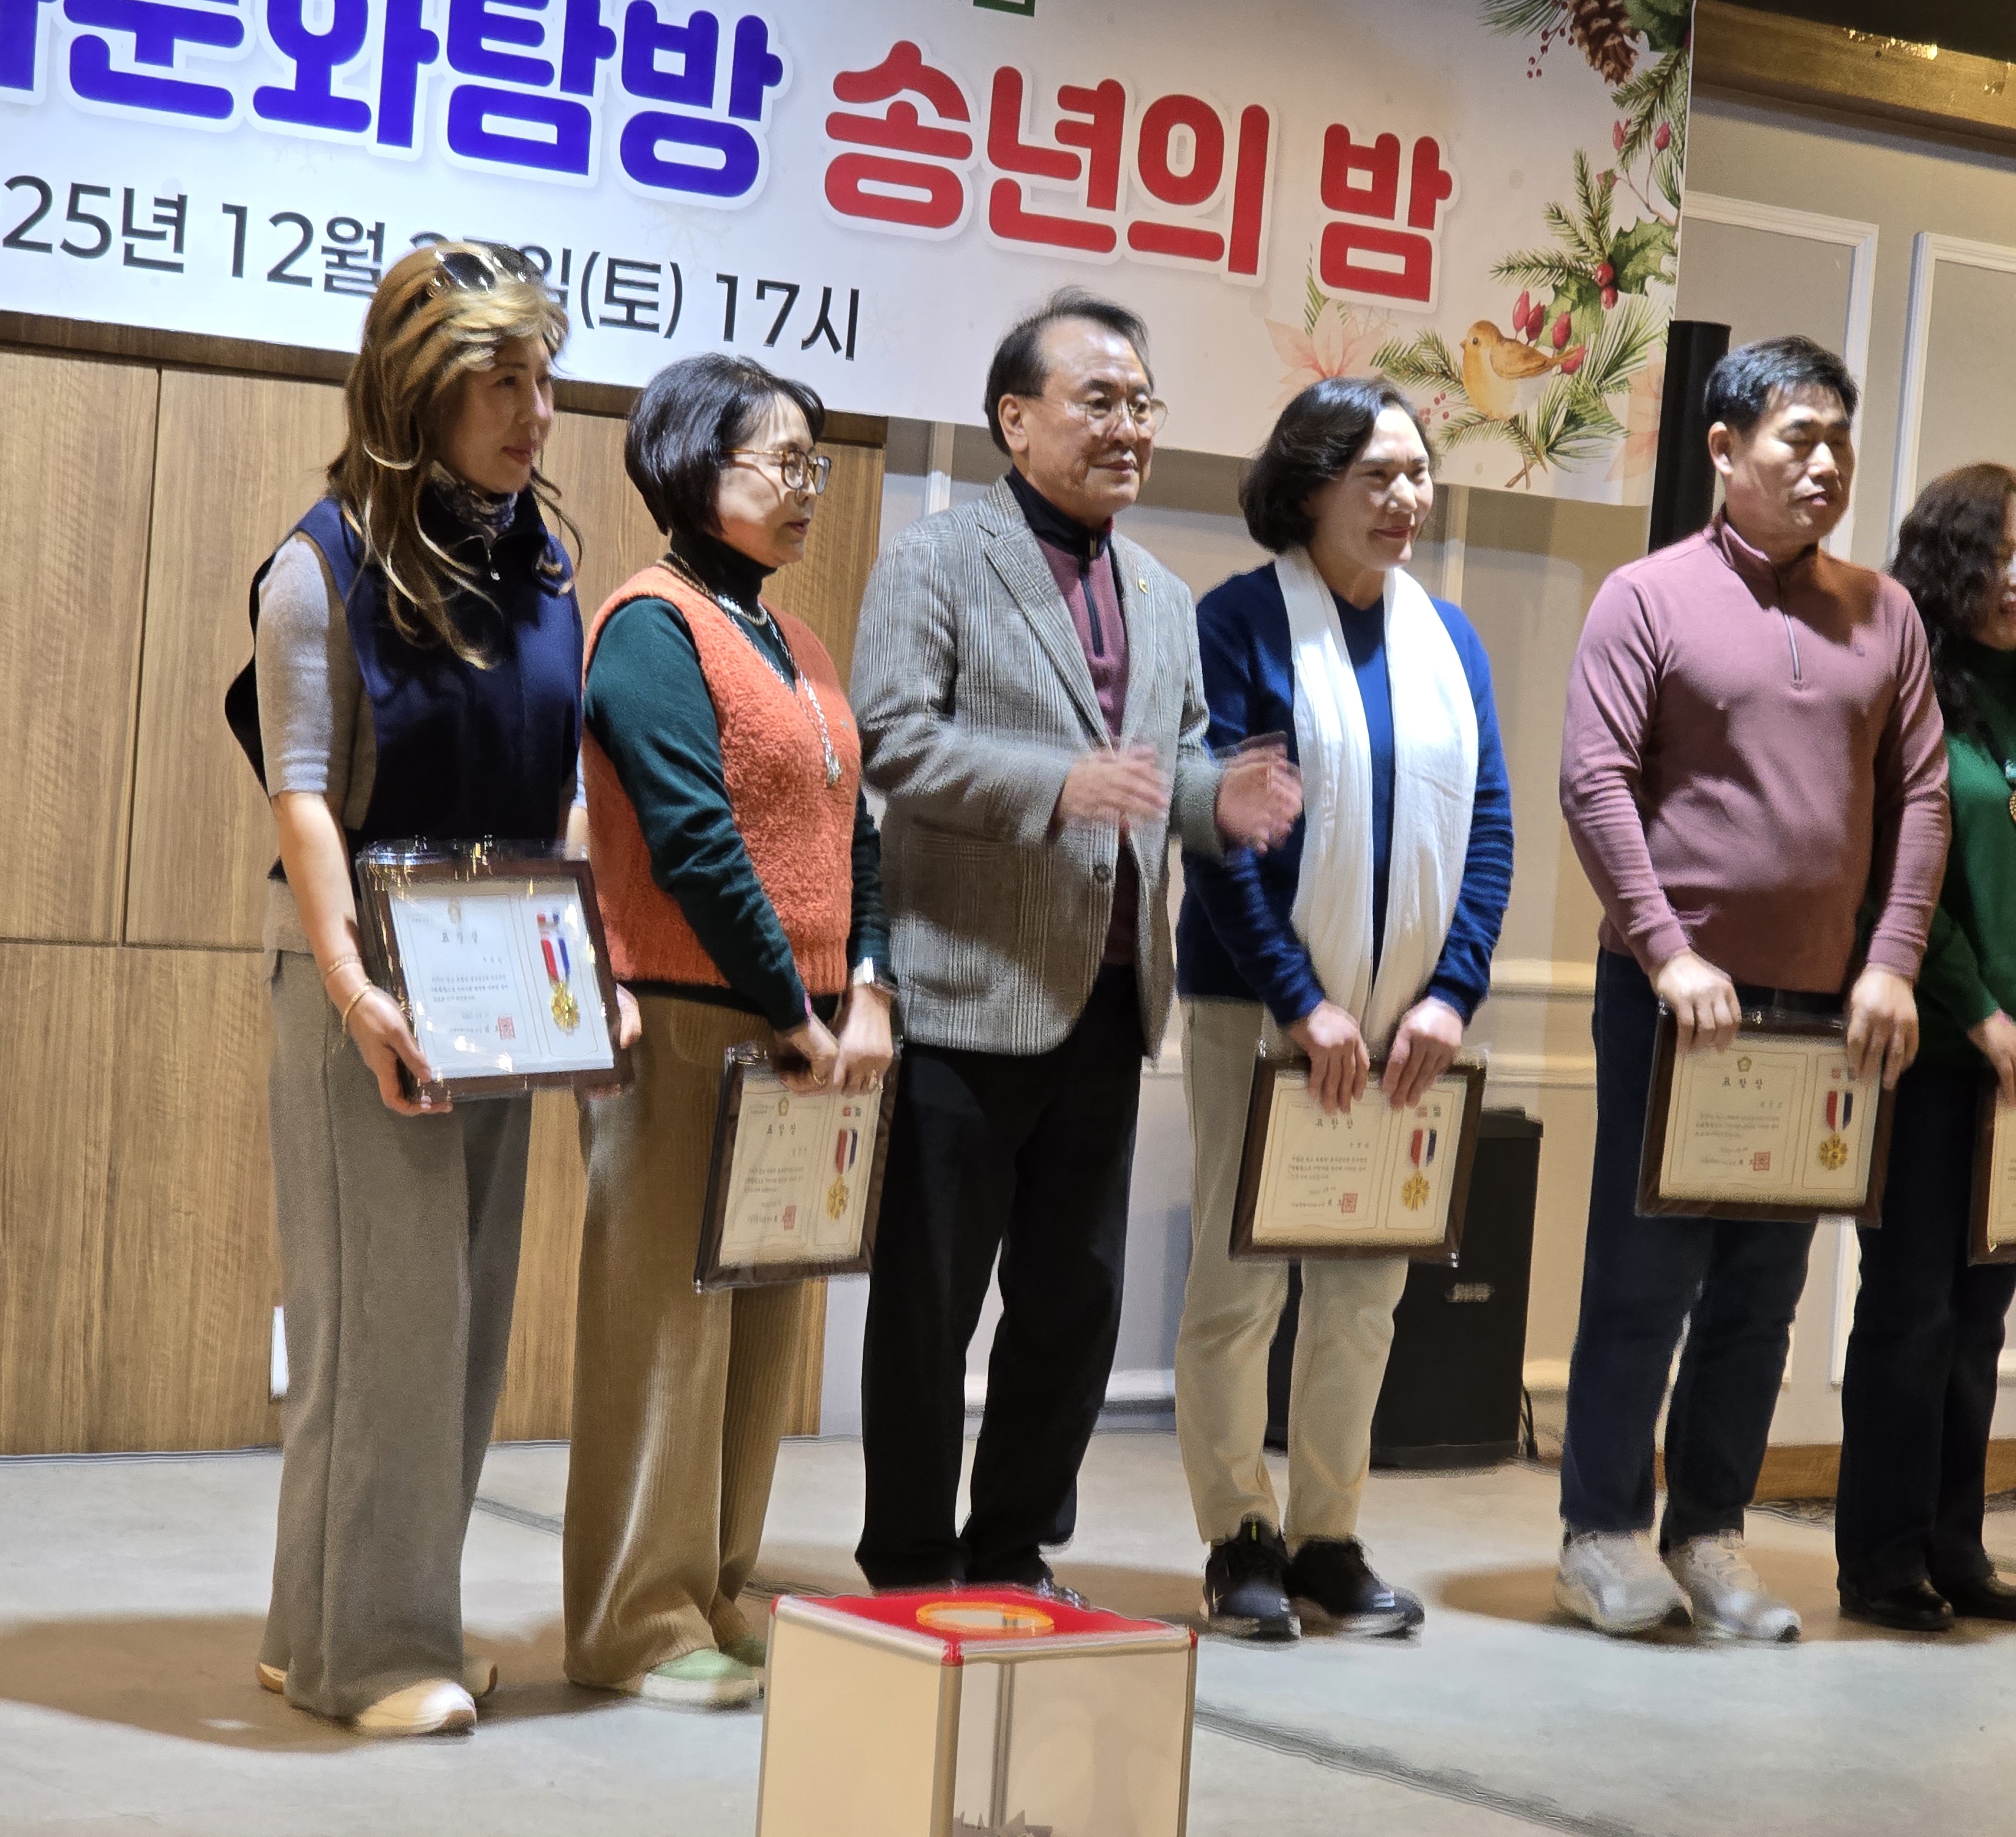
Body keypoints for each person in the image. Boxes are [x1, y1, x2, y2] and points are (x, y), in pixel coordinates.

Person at [848, 289, 1302, 1594]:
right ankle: (910, 1556)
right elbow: (893, 739)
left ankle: (1013, 1548)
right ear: (1016, 418)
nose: (1128, 427)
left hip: (1110, 1003)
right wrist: (1058, 784)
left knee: (1072, 1305)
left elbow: (1181, 764)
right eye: (1098, 401)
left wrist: (1222, 801)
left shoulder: (1162, 594)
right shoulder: (939, 558)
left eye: (1142, 404)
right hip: (966, 994)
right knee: (932, 1305)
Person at [225, 241, 585, 1736]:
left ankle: (334, 1624)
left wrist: (586, 973)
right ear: (415, 388)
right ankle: (371, 1657)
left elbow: (560, 786)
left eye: (543, 380)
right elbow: (302, 793)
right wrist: (352, 988)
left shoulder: (538, 562)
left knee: (465, 1322)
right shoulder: (319, 567)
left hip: (498, 973)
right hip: (363, 973)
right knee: (381, 1321)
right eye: (500, 382)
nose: (533, 412)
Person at [1555, 334, 1949, 1642]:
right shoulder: (1645, 597)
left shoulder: (1884, 613)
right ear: (1724, 450)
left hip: (1820, 1016)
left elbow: (1922, 799)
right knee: (1642, 1278)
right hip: (1673, 1001)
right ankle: (1601, 1535)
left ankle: (1710, 1532)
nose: (1826, 463)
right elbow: (1595, 783)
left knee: (1761, 1292)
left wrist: (1890, 962)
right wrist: (1666, 948)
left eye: (1840, 439)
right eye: (1799, 438)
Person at [566, 355, 893, 1707]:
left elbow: (856, 832)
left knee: (761, 1334)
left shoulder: (794, 640)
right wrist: (792, 1006)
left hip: (800, 1033)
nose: (808, 488)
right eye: (783, 461)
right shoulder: (650, 627)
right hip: (692, 1021)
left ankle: (714, 1588)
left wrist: (867, 985)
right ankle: (632, 1625)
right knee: (664, 1333)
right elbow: (694, 841)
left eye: (818, 464)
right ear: (695, 465)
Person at [1173, 378, 1513, 1640]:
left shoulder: (1450, 640)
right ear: (1309, 487)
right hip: (1258, 1013)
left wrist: (1452, 995)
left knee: (1365, 1295)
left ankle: (1327, 1536)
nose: (1406, 498)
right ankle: (1239, 1537)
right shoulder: (1238, 622)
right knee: (1238, 1287)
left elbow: (1487, 827)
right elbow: (1222, 837)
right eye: (1377, 476)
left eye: (1418, 474)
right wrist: (1302, 1001)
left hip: (1404, 1029)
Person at [1835, 465, 2016, 1632]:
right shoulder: (1912, 693)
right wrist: (1981, 1013)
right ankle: (1882, 1563)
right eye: (1992, 557)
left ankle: (1958, 1550)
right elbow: (1894, 879)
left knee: (1980, 1327)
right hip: (1935, 1063)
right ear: (1943, 574)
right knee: (1911, 1319)